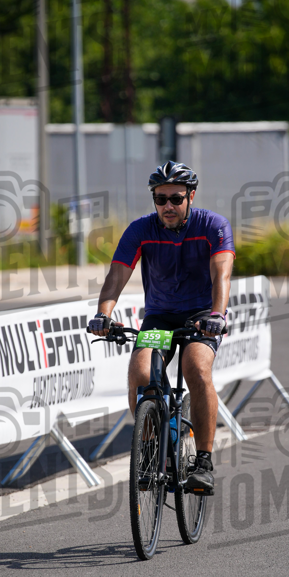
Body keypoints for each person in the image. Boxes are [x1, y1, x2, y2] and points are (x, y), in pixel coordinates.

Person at [88, 160, 235, 495]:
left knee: (196, 368)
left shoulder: (213, 225)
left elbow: (221, 273)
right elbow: (117, 275)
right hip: (161, 316)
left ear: (191, 196)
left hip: (201, 315)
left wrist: (217, 314)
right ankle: (155, 448)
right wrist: (103, 314)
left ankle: (203, 462)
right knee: (141, 374)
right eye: (160, 198)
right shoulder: (141, 230)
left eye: (176, 198)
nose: (168, 205)